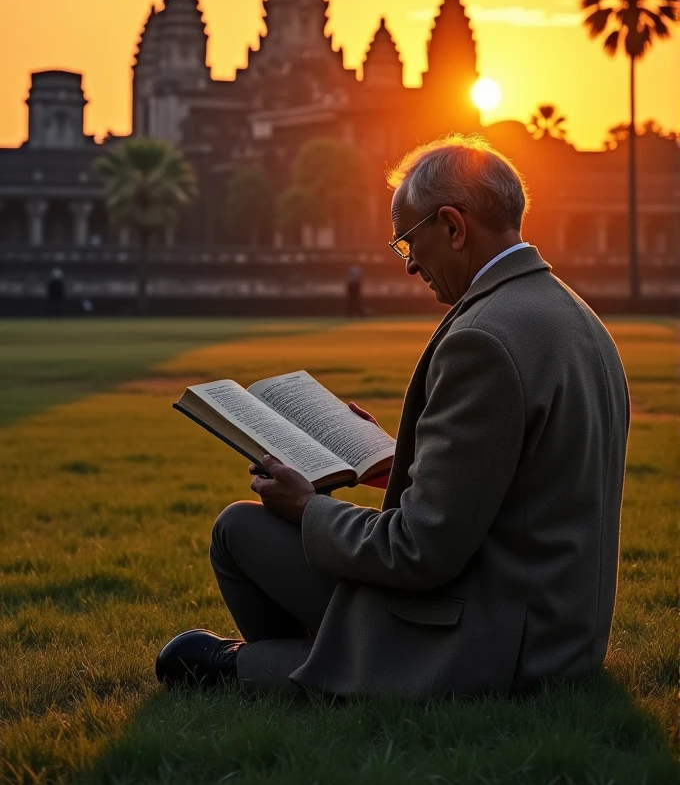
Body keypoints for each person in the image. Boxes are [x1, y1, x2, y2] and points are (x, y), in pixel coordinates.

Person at [156, 134, 629, 699]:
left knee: (197, 639)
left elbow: (419, 551)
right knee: (242, 529)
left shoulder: (484, 340)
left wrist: (308, 507)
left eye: (408, 242)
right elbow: (511, 483)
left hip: (492, 644)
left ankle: (316, 673)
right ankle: (321, 658)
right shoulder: (575, 315)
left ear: (453, 227)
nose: (409, 267)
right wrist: (391, 458)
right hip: (559, 632)